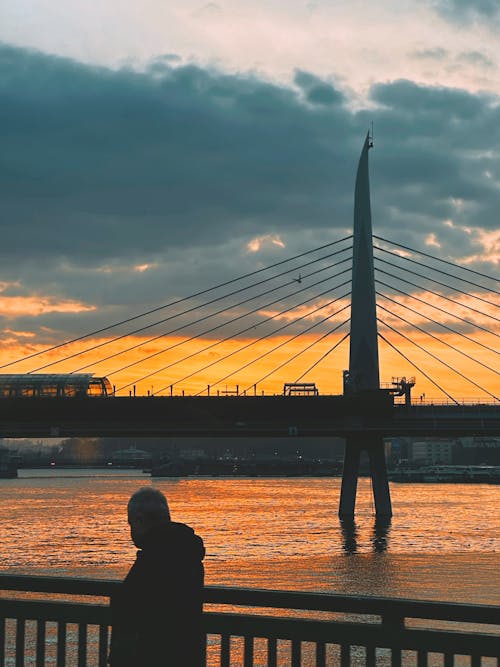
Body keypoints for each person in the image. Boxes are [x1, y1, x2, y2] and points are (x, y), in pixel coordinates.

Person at [109, 487, 205, 667]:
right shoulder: (187, 553)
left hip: (152, 654)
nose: (131, 532)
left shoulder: (152, 558)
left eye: (131, 524)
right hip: (187, 653)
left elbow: (132, 608)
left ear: (139, 519)